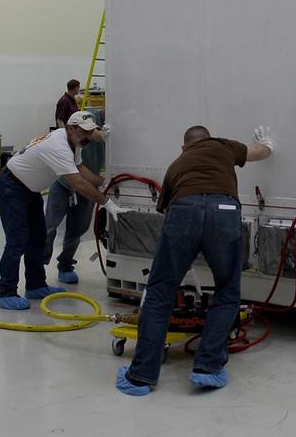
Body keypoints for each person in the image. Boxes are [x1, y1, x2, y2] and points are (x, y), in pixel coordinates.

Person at [117, 124, 274, 397]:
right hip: (225, 211)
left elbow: (168, 214)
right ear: (209, 138)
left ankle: (141, 377)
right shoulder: (224, 146)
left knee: (159, 293)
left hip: (183, 212)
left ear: (183, 147)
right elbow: (257, 152)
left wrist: (181, 256)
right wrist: (269, 145)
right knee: (226, 291)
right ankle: (208, 368)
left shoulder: (176, 166)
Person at [0, 111, 110, 310]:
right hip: (12, 187)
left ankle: (36, 285)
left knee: (38, 237)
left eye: (90, 132)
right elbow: (78, 183)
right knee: (17, 240)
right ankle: (6, 292)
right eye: (85, 132)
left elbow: (80, 169)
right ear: (71, 128)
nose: (88, 137)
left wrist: (105, 182)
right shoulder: (59, 146)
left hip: (30, 190)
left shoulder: (74, 143)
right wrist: (106, 201)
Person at [44, 107, 106, 285]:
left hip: (88, 184)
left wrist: (102, 182)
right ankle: (38, 266)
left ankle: (65, 264)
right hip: (64, 183)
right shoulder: (92, 115)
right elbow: (95, 135)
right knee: (49, 225)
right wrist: (108, 134)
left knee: (78, 229)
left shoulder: (116, 120)